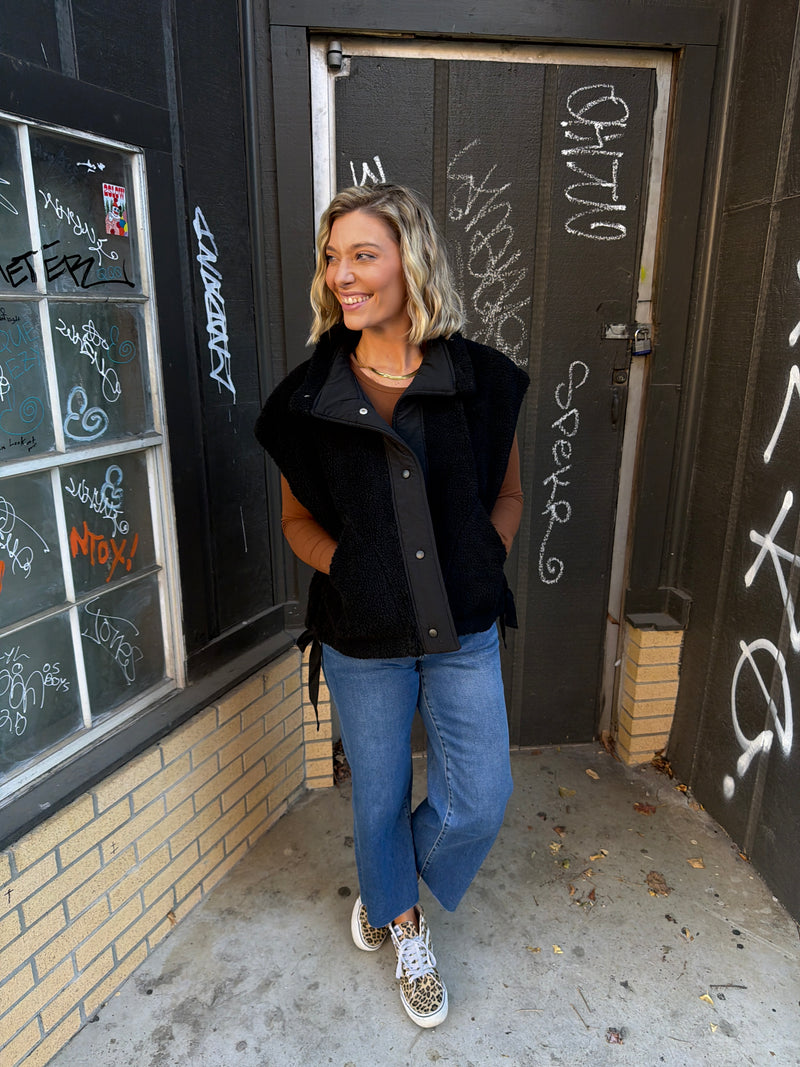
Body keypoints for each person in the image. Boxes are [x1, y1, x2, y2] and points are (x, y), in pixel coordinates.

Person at [255, 183, 528, 1028]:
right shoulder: (305, 401)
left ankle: (383, 886)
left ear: (411, 261)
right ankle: (403, 924)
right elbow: (297, 521)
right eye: (332, 257)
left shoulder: (483, 382)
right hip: (361, 637)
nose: (341, 274)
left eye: (362, 255)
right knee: (377, 793)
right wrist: (351, 566)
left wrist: (480, 560)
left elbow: (510, 495)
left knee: (480, 797)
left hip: (463, 630)